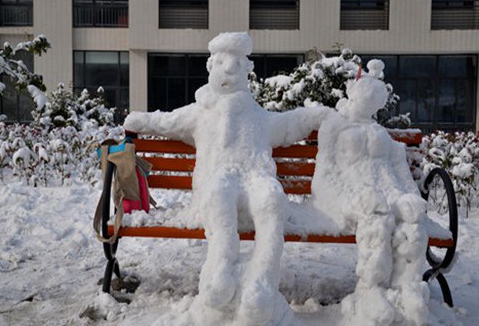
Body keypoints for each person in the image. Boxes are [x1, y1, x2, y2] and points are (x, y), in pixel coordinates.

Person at [125, 32, 331, 325]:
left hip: (255, 176)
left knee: (272, 200)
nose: (228, 70)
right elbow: (166, 122)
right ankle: (220, 268)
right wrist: (140, 121)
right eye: (222, 63)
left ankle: (263, 276)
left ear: (246, 71)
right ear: (211, 67)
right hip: (217, 183)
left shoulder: (257, 117)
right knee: (220, 196)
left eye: (235, 63)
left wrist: (314, 116)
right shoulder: (199, 113)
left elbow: (288, 125)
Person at [311, 60, 429, 326]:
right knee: (376, 217)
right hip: (350, 195)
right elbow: (323, 178)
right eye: (367, 96)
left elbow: (400, 172)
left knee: (412, 224)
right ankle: (371, 292)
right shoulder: (334, 127)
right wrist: (346, 201)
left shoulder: (380, 134)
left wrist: (410, 196)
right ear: (354, 94)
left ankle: (406, 289)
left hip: (388, 192)